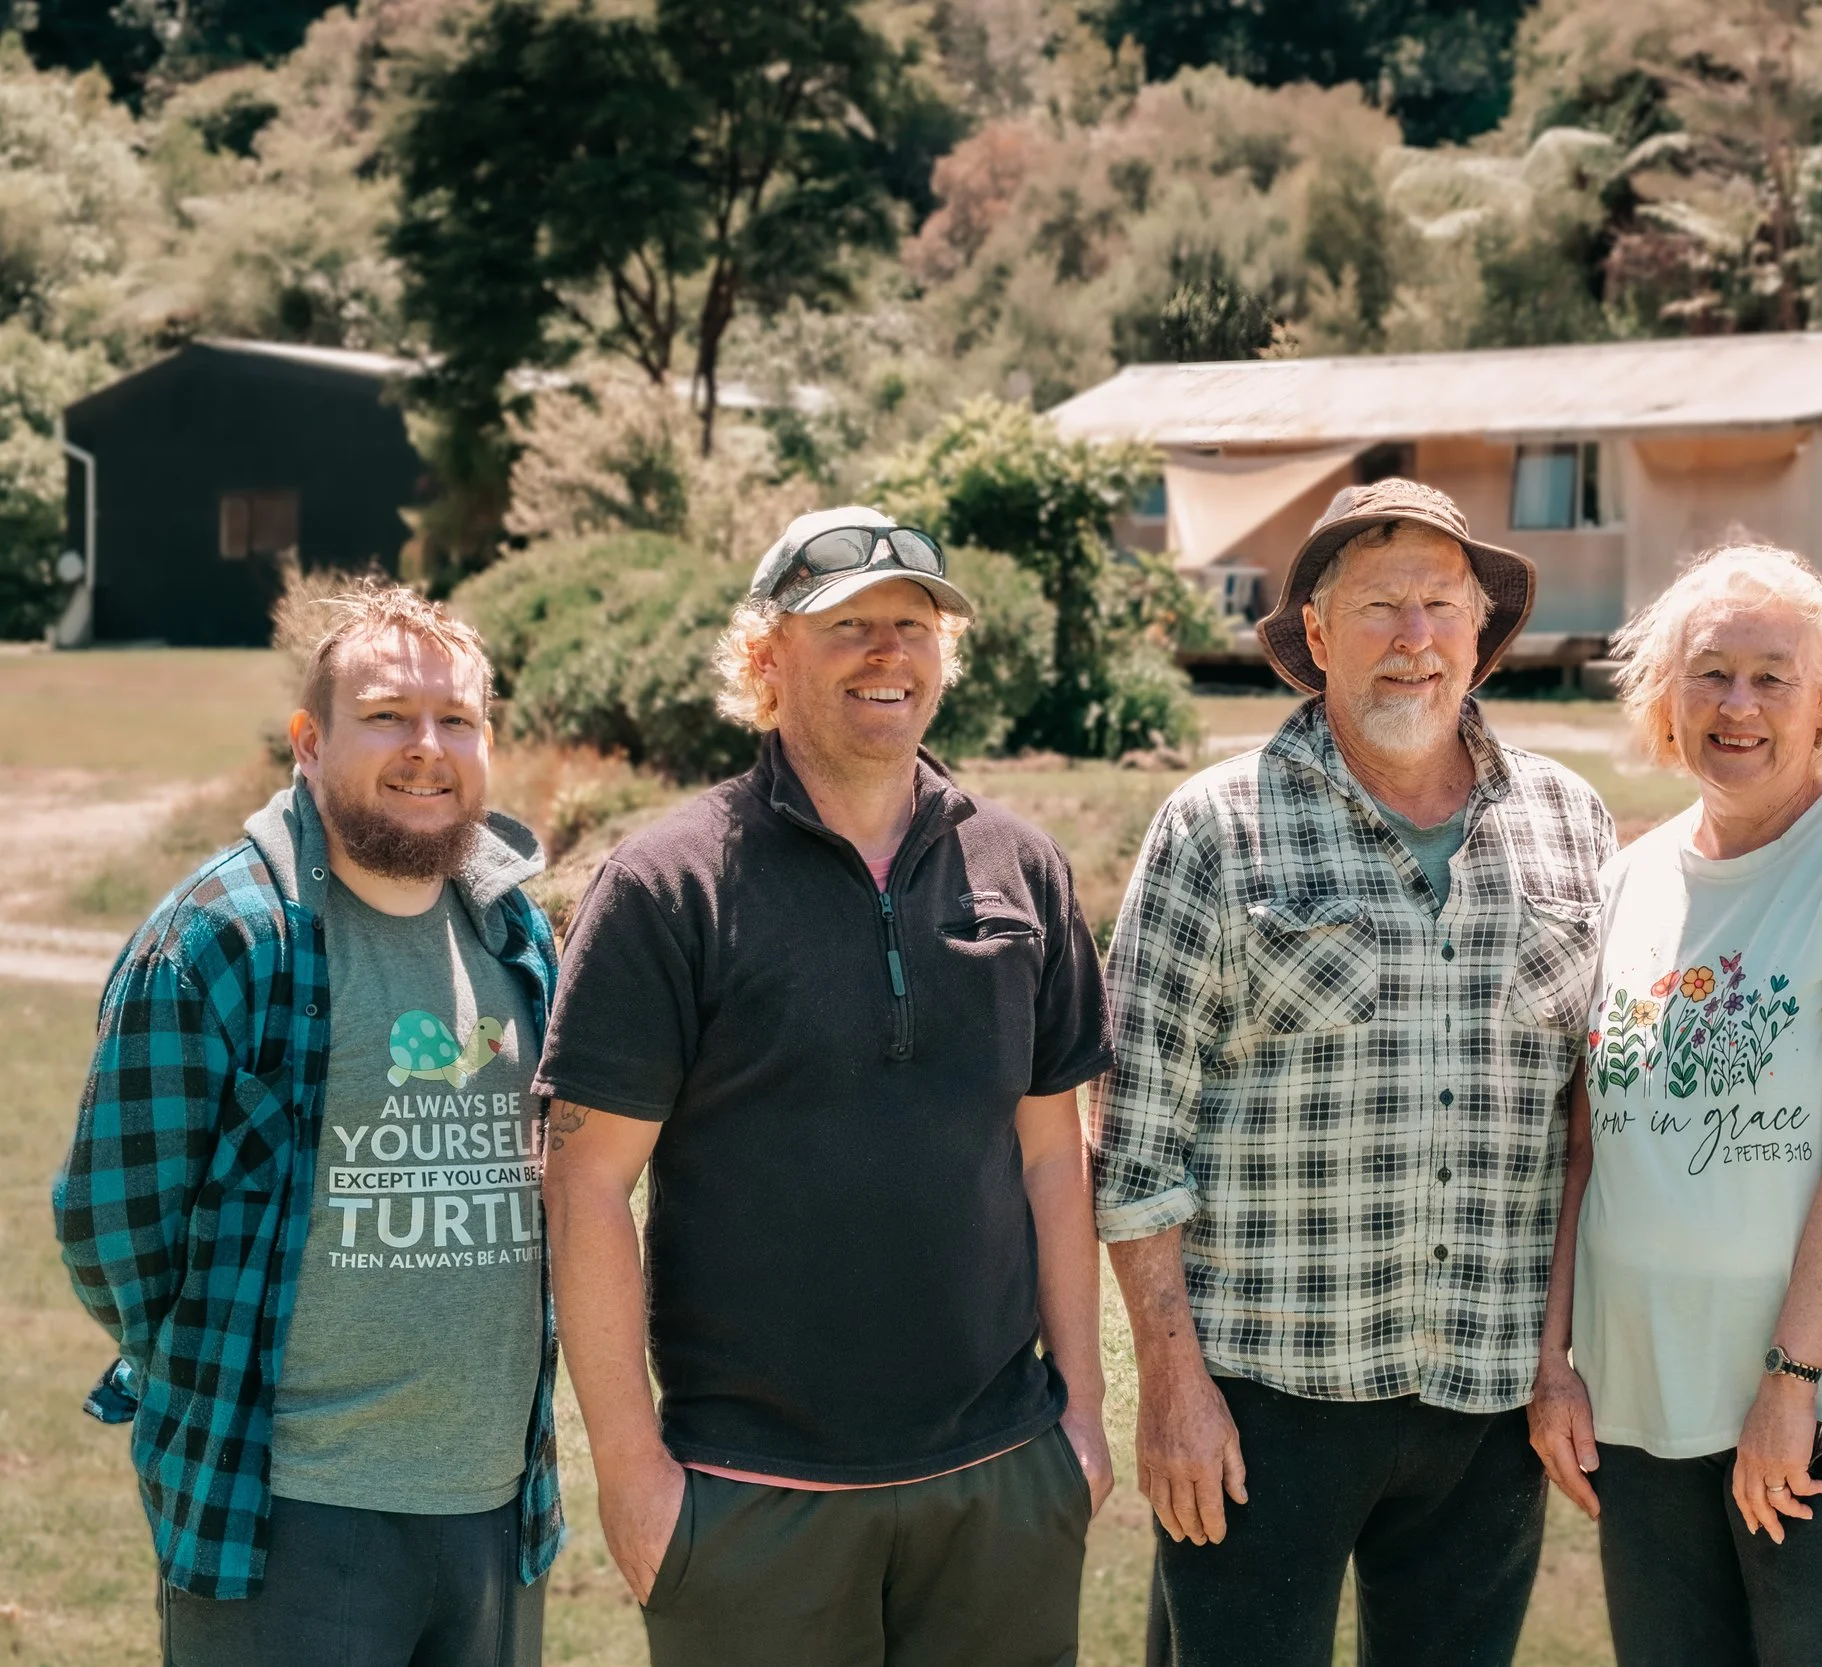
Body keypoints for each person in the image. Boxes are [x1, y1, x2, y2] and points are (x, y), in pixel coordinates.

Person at [537, 506, 1114, 1667]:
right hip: (751, 1500)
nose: (886, 651)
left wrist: (1084, 1423)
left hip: (999, 1483)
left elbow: (1055, 1154)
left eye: (912, 624)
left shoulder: (1022, 869)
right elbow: (587, 1185)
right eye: (846, 624)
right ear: (769, 656)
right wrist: (635, 1474)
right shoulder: (669, 884)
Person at [1094, 477, 1616, 1667]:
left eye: (1441, 604)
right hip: (1265, 1394)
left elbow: (1588, 1122)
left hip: (1489, 1401)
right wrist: (1172, 1385)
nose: (1414, 638)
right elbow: (1134, 1139)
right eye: (1379, 606)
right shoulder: (1215, 825)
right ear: (1317, 635)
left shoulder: (1570, 821)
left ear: (1480, 634)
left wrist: (1557, 1359)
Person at [55, 582, 562, 1667]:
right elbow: (109, 1229)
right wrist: (209, 1367)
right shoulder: (220, 938)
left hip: (495, 1499)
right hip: (287, 1511)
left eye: (457, 720)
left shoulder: (514, 926)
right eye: (386, 714)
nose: (427, 748)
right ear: (308, 740)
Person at [1527, 545, 1822, 1667]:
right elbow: (1587, 1142)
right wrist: (1554, 1360)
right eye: (1708, 671)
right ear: (1662, 697)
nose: (1736, 703)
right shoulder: (1630, 877)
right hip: (1637, 1402)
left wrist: (1792, 1378)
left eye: (1772, 676)